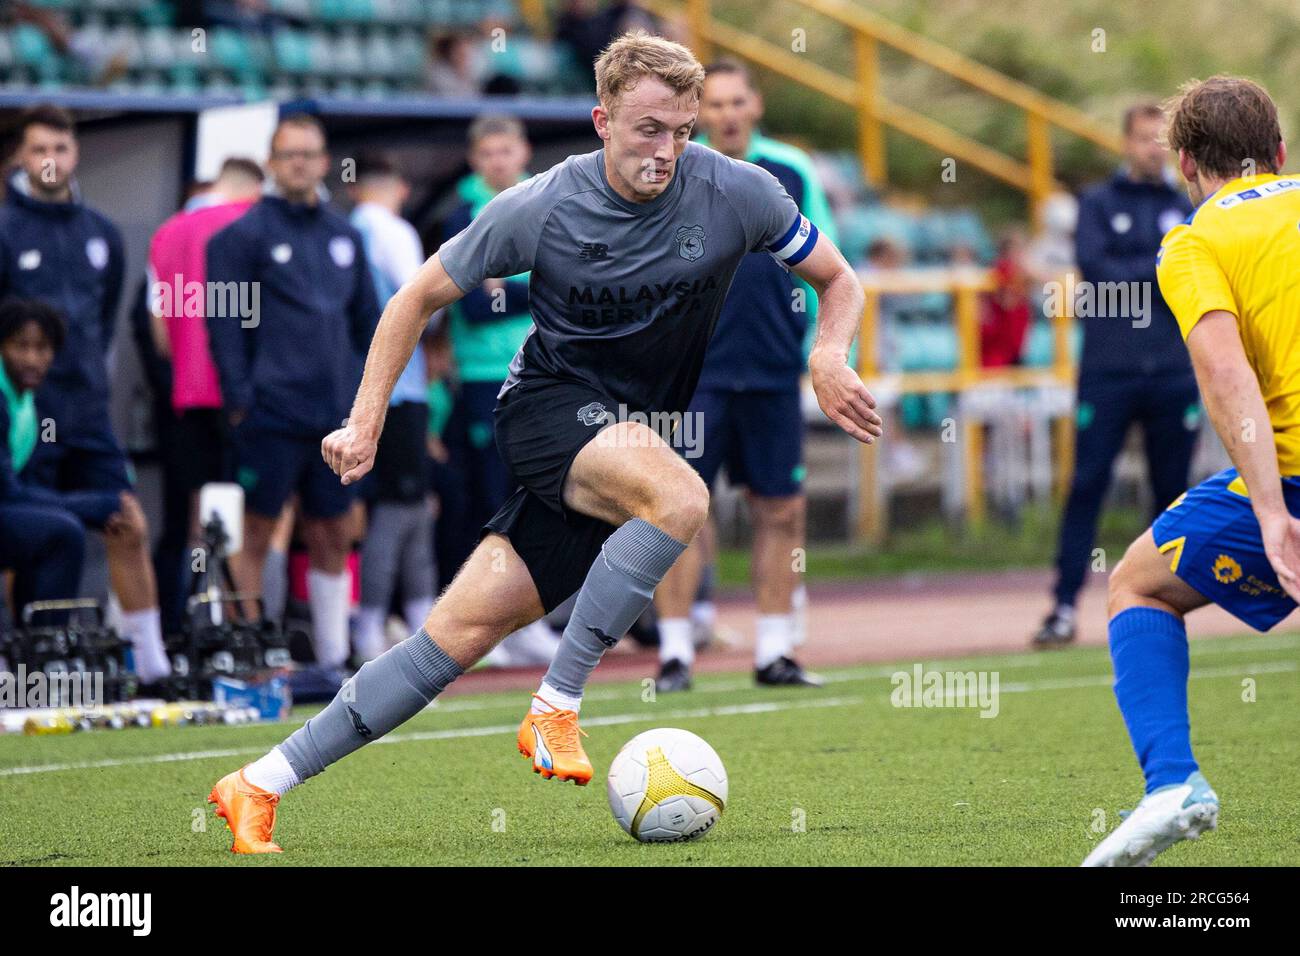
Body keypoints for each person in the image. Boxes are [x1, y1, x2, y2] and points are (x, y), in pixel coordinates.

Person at [206, 30, 879, 853]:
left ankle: (257, 784)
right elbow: (415, 297)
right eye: (646, 129)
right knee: (682, 497)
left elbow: (839, 279)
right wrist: (366, 419)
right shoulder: (542, 205)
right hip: (545, 409)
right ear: (601, 120)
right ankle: (557, 705)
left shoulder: (742, 192)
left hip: (623, 440)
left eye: (681, 130)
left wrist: (827, 352)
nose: (665, 150)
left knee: (445, 646)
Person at [1082, 76, 1300, 866]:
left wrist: (1271, 509)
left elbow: (1225, 374)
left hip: (1295, 472)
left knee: (1137, 583)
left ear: (1183, 164)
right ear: (1278, 153)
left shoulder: (1196, 239)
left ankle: (1173, 784)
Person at [652, 59, 836, 691]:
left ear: (755, 105)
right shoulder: (678, 169)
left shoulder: (791, 170)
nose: (728, 114)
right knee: (675, 512)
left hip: (772, 372)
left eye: (737, 102)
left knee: (781, 511)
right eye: (716, 104)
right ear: (701, 113)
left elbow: (828, 269)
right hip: (693, 376)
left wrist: (826, 352)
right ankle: (675, 653)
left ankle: (775, 651)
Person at [205, 113, 381, 674]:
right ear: (272, 163)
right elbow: (224, 327)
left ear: (325, 161)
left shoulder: (344, 235)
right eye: (289, 155)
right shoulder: (240, 237)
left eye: (309, 153)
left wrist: (363, 403)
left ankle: (334, 659)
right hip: (270, 413)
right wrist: (240, 401)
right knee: (255, 529)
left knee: (333, 531)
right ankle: (253, 653)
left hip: (334, 416)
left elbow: (369, 325)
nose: (300, 163)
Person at [0, 104, 170, 683]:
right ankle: (22, 664)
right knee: (29, 533)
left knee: (128, 520)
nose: (52, 160)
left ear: (77, 154)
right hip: (23, 413)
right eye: (40, 149)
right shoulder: (4, 229)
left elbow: (104, 316)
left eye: (62, 149)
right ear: (20, 157)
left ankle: (151, 666)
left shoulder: (101, 234)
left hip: (89, 410)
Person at [1033, 102, 1199, 647]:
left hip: (1174, 372)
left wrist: (1141, 267)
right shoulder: (1098, 204)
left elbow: (1190, 272)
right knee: (1086, 484)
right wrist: (1159, 263)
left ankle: (1164, 607)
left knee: (1172, 494)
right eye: (1144, 138)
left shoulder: (1185, 205)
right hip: (1108, 372)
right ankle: (1062, 605)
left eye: (1162, 140)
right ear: (1126, 143)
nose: (1154, 149)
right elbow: (1098, 272)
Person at [148, 156, 264, 633]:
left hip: (189, 394)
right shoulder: (256, 225)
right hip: (250, 396)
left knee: (196, 518)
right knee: (254, 520)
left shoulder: (168, 232)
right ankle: (244, 627)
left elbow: (159, 334)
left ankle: (187, 627)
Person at [347, 151, 436, 662]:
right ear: (399, 187)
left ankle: (388, 622)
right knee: (403, 510)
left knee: (386, 508)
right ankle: (383, 625)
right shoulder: (390, 230)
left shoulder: (349, 229)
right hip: (401, 388)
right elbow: (425, 296)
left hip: (368, 387)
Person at [0, 300, 90, 618]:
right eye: (20, 346)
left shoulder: (25, 402)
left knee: (45, 532)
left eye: (42, 348)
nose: (32, 359)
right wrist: (95, 507)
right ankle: (45, 651)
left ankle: (29, 652)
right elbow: (10, 493)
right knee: (63, 533)